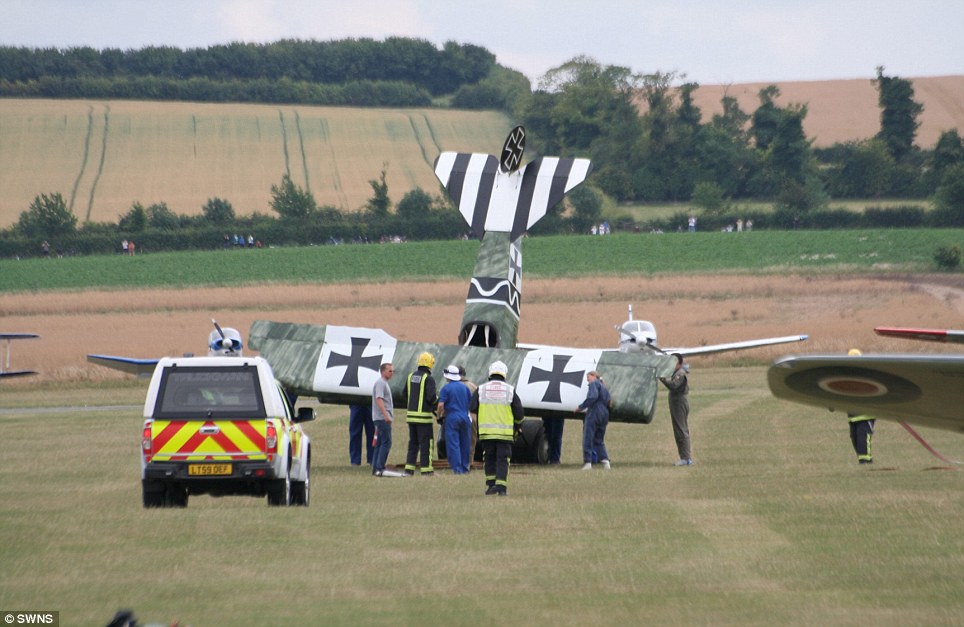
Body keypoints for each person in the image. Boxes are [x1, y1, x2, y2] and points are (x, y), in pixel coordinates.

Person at [470, 360, 524, 496]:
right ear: (504, 374)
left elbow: (472, 408)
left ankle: (490, 486)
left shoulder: (481, 389)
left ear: (490, 373)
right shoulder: (510, 390)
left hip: (486, 433)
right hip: (504, 434)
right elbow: (518, 411)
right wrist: (518, 426)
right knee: (502, 459)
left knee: (489, 458)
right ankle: (501, 487)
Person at [404, 352, 438, 476]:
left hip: (411, 417)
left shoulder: (410, 376)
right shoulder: (429, 379)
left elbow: (404, 394)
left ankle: (409, 469)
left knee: (413, 443)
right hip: (424, 419)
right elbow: (431, 398)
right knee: (426, 444)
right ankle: (426, 470)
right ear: (430, 364)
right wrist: (437, 403)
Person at [437, 364, 473, 474]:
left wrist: (439, 416)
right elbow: (471, 403)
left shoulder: (446, 388)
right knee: (465, 443)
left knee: (453, 444)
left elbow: (440, 405)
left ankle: (457, 469)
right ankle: (465, 467)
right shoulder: (465, 387)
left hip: (452, 417)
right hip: (465, 416)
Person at [659, 353, 693, 466]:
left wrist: (662, 378)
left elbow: (673, 385)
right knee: (679, 430)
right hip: (676, 403)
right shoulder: (677, 372)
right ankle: (684, 457)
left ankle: (686, 458)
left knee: (681, 430)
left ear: (678, 363)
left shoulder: (680, 373)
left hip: (679, 403)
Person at [845, 348, 876, 464]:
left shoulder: (867, 374)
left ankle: (865, 462)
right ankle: (864, 460)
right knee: (855, 439)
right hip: (852, 415)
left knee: (863, 438)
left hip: (866, 414)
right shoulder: (846, 376)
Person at [577, 371, 612, 470]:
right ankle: (605, 461)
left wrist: (581, 407)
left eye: (588, 377)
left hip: (594, 412)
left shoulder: (594, 384)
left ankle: (588, 462)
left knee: (588, 437)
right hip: (604, 414)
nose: (587, 379)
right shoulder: (604, 387)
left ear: (594, 376)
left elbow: (592, 396)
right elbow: (609, 401)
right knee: (599, 440)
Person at [371, 362, 395, 477]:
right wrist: (386, 415)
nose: (392, 373)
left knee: (380, 443)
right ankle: (379, 468)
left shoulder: (384, 383)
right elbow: (379, 399)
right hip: (382, 419)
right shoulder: (381, 383)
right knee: (387, 442)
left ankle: (376, 467)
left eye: (392, 371)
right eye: (390, 371)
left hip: (380, 418)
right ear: (383, 371)